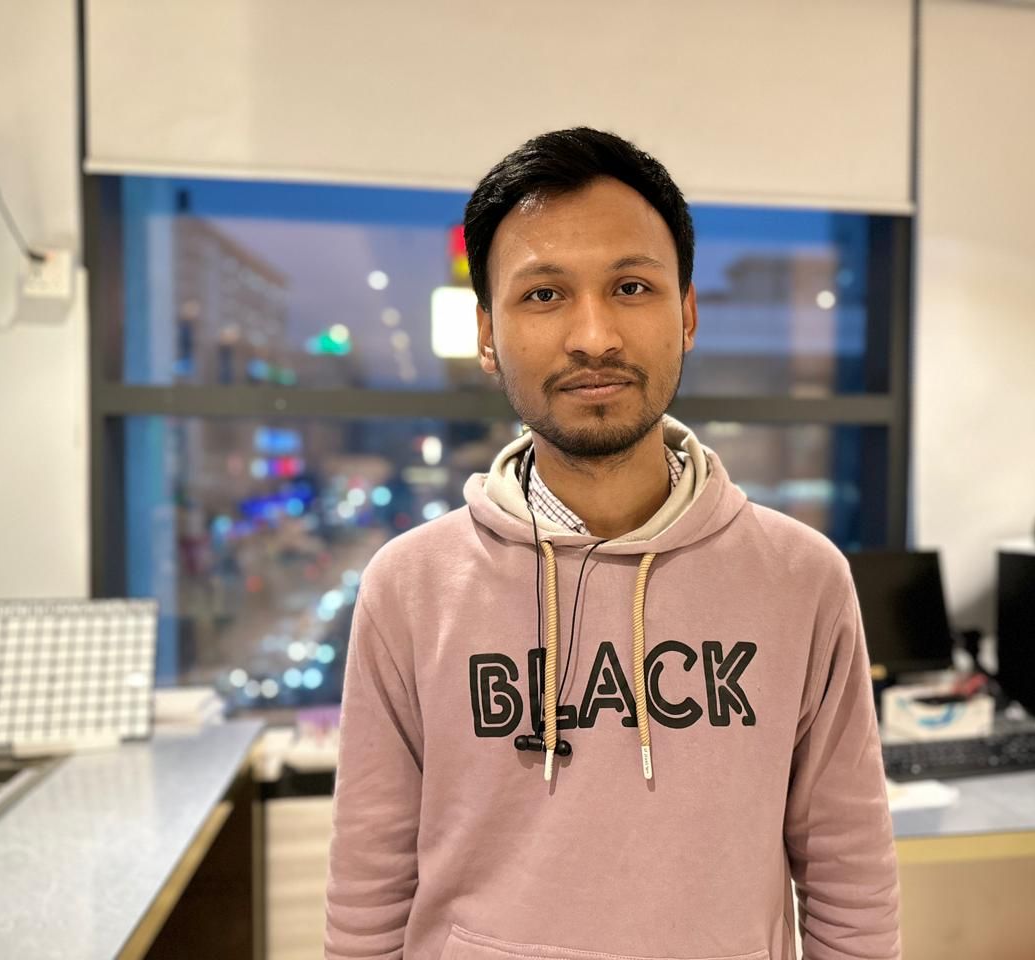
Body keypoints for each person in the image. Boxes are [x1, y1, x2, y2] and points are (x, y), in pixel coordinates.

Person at [325, 127, 900, 960]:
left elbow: (850, 877)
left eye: (631, 287)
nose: (594, 336)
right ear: (487, 333)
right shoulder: (410, 586)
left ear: (687, 313)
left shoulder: (801, 579)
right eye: (544, 294)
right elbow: (369, 889)